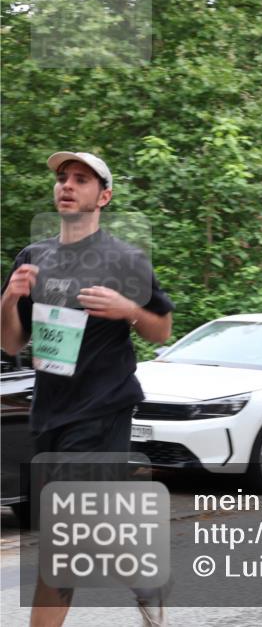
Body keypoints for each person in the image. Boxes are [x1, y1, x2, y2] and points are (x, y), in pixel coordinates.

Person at [1, 152, 174, 627]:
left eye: (81, 179)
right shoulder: (34, 258)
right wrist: (10, 299)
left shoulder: (124, 259)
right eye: (62, 178)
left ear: (105, 196)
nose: (67, 186)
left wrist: (127, 309)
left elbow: (161, 329)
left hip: (103, 409)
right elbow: (12, 341)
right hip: (50, 413)